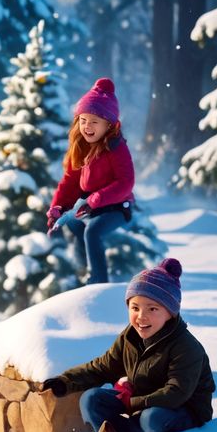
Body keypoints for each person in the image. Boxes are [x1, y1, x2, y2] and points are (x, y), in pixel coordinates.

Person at [43, 257, 214, 432]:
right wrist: (64, 381)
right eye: (135, 308)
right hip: (141, 404)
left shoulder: (185, 346)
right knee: (92, 399)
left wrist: (131, 403)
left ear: (170, 313)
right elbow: (102, 367)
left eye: (152, 309)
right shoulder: (130, 338)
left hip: (185, 411)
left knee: (152, 418)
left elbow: (176, 393)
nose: (141, 316)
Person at [47, 78, 136, 285]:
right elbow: (70, 181)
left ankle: (98, 282)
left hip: (117, 206)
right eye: (84, 120)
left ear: (109, 125)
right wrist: (57, 207)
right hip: (91, 206)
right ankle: (84, 270)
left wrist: (96, 199)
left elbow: (126, 182)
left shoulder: (116, 147)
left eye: (94, 122)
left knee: (93, 231)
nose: (87, 126)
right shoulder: (80, 145)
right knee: (73, 225)